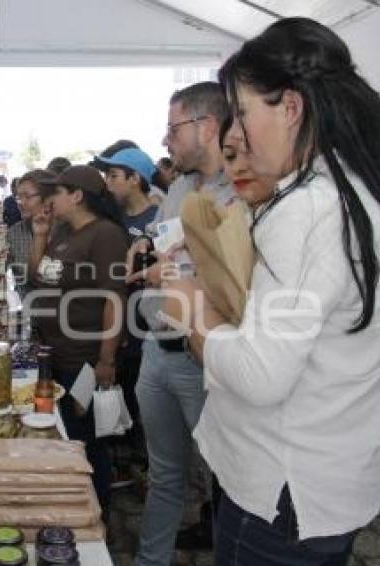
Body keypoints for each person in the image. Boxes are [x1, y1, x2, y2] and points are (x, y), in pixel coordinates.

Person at [155, 18, 380, 565]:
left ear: (291, 108)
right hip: (334, 479)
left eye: (245, 113)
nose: (241, 136)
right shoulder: (372, 187)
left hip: (279, 492)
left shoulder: (306, 205)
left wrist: (194, 313)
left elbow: (260, 374)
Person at [127, 81, 233, 566]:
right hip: (157, 350)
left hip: (204, 360)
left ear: (206, 126)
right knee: (166, 473)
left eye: (173, 129)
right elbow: (171, 258)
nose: (165, 142)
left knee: (227, 481)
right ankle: (152, 560)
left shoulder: (244, 190)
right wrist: (151, 261)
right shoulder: (179, 189)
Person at [29, 165, 129, 514]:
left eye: (56, 193)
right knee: (66, 434)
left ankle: (96, 514)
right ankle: (72, 506)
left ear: (77, 196)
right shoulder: (61, 232)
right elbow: (38, 276)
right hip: (54, 354)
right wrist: (40, 236)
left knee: (85, 440)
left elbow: (114, 298)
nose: (49, 200)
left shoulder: (105, 235)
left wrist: (106, 359)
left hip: (83, 358)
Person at [92, 147, 159, 452]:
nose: (107, 182)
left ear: (135, 179)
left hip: (152, 323)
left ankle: (142, 458)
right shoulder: (111, 216)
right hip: (117, 319)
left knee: (146, 399)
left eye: (114, 175)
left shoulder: (161, 216)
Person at [7, 169, 55, 298]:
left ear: (48, 198)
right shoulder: (14, 233)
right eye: (18, 197)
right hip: (26, 307)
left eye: (27, 197)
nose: (21, 203)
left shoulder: (66, 231)